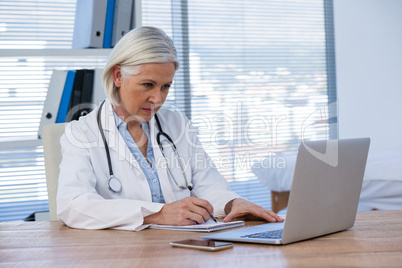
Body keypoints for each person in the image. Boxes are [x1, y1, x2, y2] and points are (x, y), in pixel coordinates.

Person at [57, 26, 283, 231]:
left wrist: (234, 203)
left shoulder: (177, 125)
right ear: (118, 76)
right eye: (148, 85)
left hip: (183, 248)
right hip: (123, 254)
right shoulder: (81, 134)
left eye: (166, 87)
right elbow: (73, 206)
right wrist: (158, 214)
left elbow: (209, 185)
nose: (157, 98)